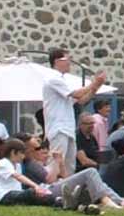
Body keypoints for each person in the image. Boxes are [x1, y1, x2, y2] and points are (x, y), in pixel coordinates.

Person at [43, 49, 109, 181]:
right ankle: (49, 188)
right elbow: (77, 94)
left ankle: (66, 189)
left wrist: (95, 87)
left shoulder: (62, 81)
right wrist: (94, 83)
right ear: (57, 61)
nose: (70, 63)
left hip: (67, 128)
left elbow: (81, 100)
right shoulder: (53, 78)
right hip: (58, 128)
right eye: (67, 59)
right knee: (56, 162)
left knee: (69, 166)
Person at [0, 138, 59, 207]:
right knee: (31, 192)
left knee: (41, 195)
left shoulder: (17, 165)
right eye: (22, 153)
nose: (23, 156)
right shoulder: (3, 163)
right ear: (13, 152)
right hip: (4, 196)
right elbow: (18, 177)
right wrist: (36, 186)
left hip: (17, 193)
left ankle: (57, 201)